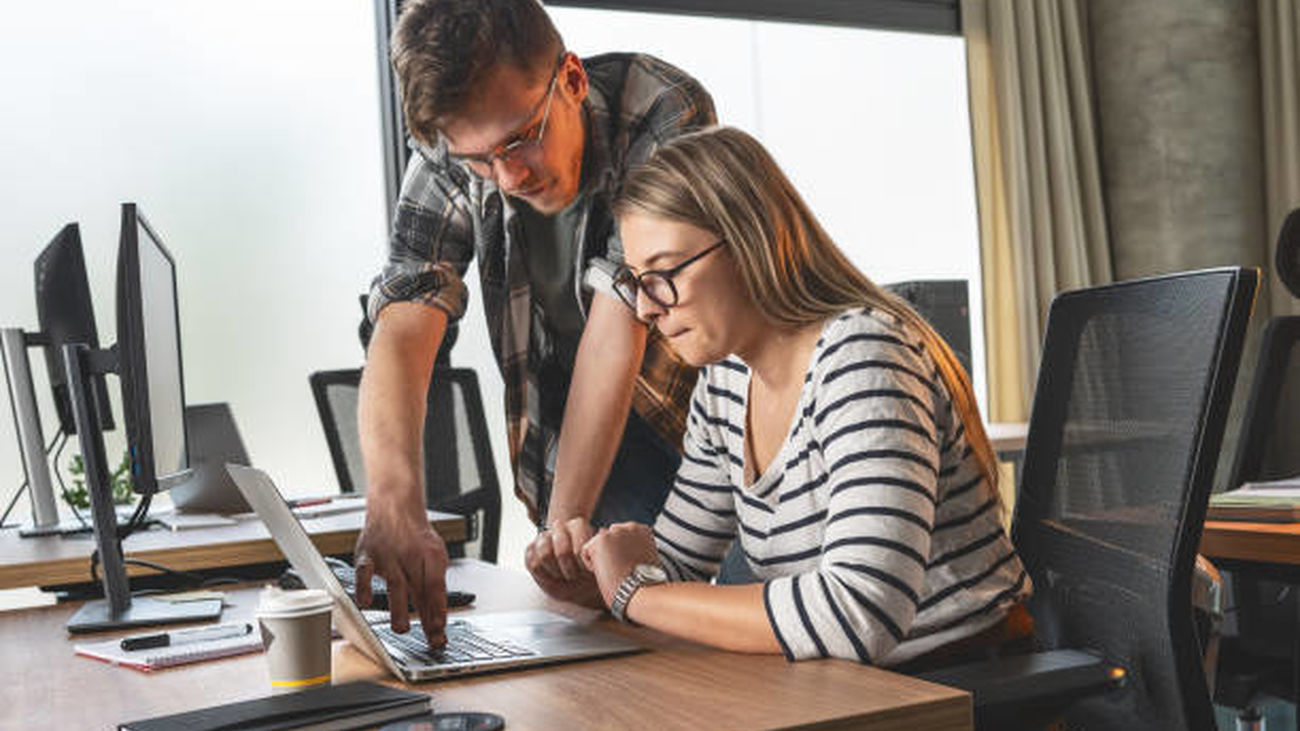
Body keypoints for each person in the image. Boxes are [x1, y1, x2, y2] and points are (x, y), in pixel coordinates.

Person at [570, 126, 1033, 667]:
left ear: (750, 244)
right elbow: (675, 565)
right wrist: (592, 574)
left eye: (664, 273)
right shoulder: (725, 382)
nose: (646, 308)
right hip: (841, 686)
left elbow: (858, 614)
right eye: (636, 280)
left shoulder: (862, 354)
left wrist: (638, 593)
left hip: (956, 684)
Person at [353, 0, 715, 647]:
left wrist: (561, 526)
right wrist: (394, 505)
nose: (509, 175)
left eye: (521, 138)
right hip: (567, 447)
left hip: (685, 439)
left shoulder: (660, 108)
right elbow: (406, 320)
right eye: (481, 161)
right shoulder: (454, 150)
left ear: (571, 80)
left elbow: (621, 319)